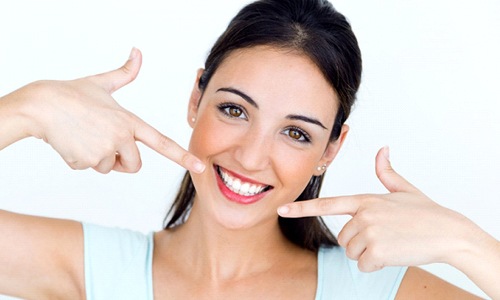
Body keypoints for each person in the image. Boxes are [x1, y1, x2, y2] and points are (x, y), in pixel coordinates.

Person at [0, 0, 499, 299]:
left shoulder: (373, 289)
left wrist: (465, 242)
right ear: (196, 98)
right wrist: (27, 109)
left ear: (332, 148)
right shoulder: (98, 269)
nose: (252, 157)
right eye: (235, 110)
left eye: (297, 133)